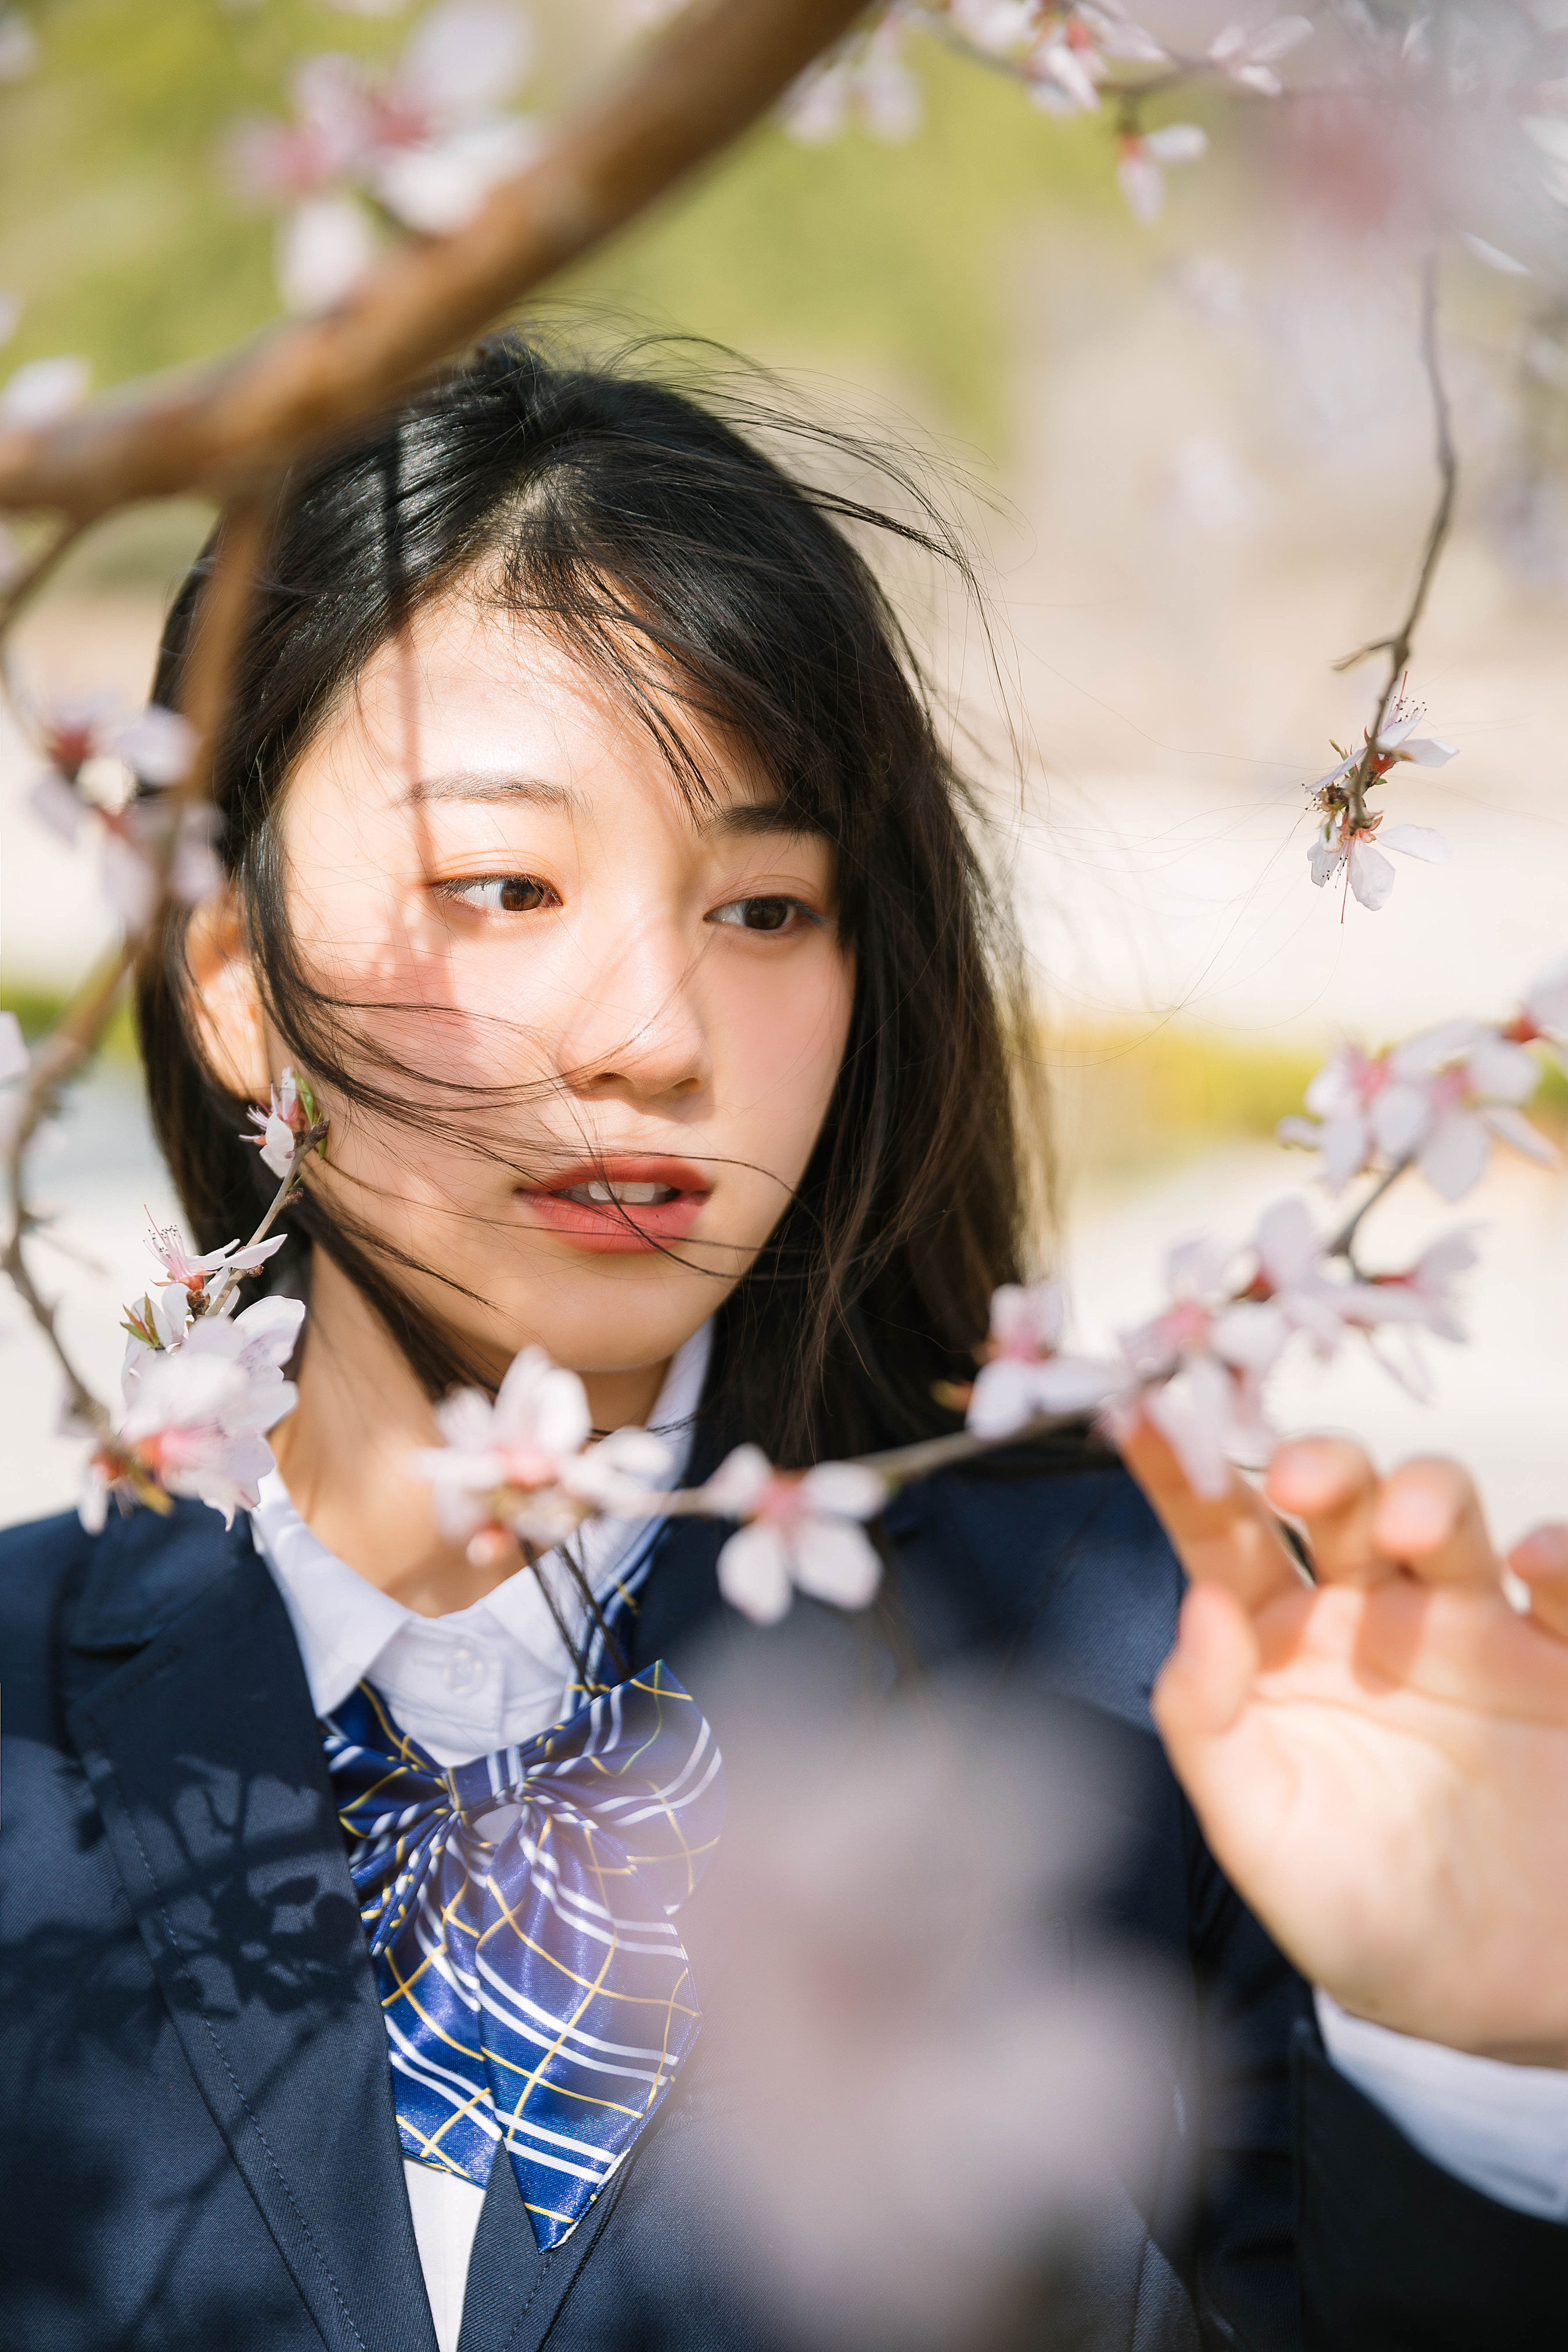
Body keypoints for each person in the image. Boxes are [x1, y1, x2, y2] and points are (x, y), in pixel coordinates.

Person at [3, 336, 1567, 2352]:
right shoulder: (22, 1709)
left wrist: (1482, 2065)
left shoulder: (1160, 1672)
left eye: (762, 906)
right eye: (503, 883)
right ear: (233, 976)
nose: (651, 1035)